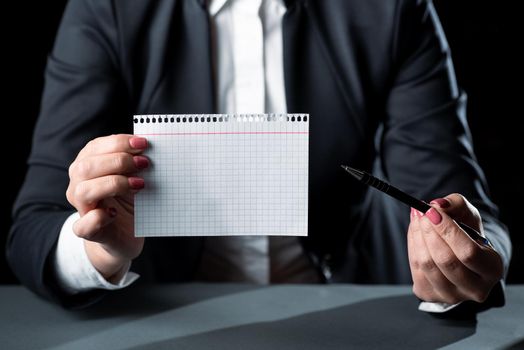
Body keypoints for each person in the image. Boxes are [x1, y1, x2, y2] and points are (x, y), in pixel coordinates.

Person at [7, 0, 511, 311]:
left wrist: (463, 261)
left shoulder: (393, 8)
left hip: (349, 313)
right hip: (162, 314)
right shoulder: (108, 7)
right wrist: (98, 249)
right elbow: (32, 230)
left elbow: (467, 211)